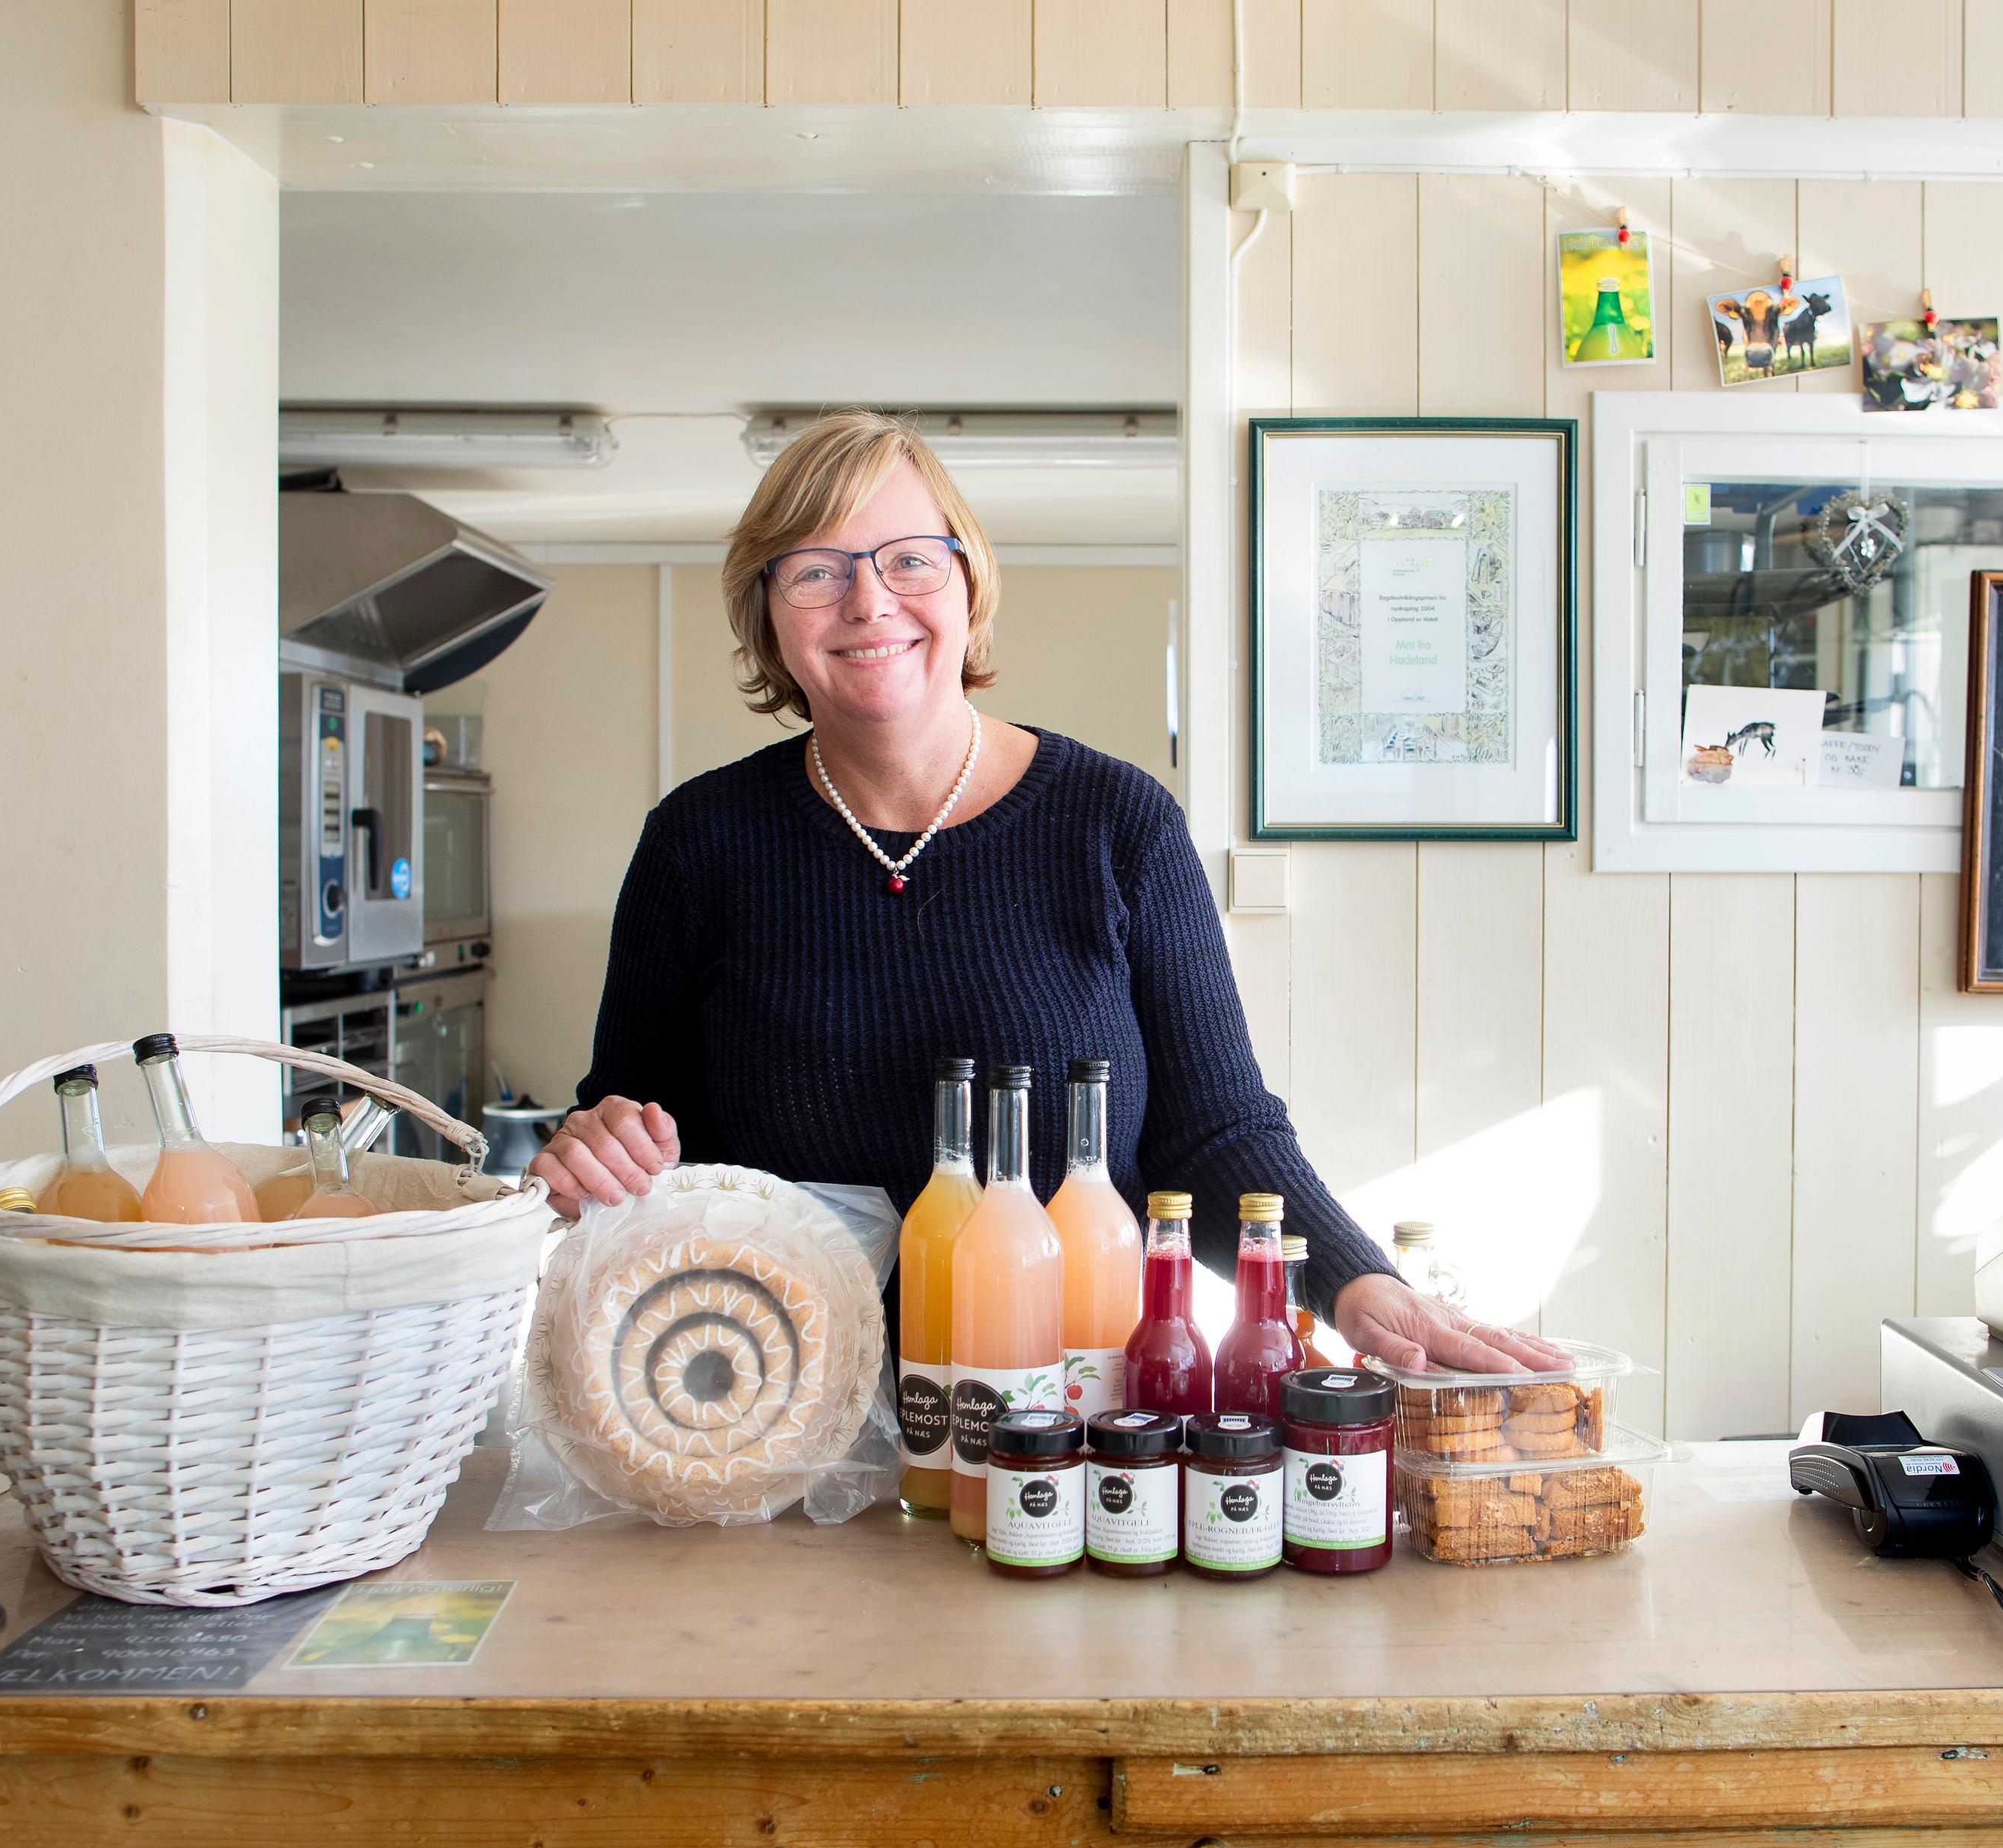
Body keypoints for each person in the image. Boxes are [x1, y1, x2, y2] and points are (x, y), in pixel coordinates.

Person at [535, 409, 1561, 1376]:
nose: (868, 601)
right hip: (776, 1431)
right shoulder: (696, 843)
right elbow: (634, 1139)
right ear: (768, 613)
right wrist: (599, 1152)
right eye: (815, 571)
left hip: (1068, 1431)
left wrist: (1355, 1282)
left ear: (968, 581)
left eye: (909, 559)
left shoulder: (1119, 826)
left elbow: (1214, 1135)